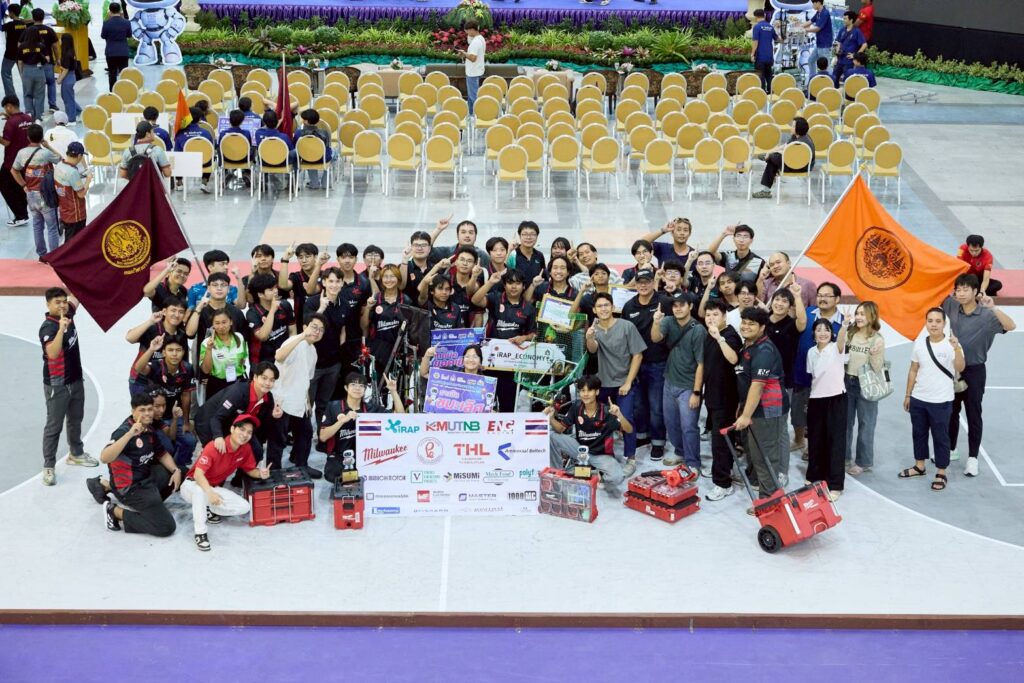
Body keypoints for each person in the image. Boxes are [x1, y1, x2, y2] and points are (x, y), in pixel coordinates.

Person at [943, 274, 1016, 476]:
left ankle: (973, 458)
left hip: (974, 370)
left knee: (973, 414)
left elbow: (1011, 326)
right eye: (958, 289)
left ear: (975, 291)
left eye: (965, 289)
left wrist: (993, 307)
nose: (960, 293)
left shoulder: (987, 315)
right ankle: (951, 449)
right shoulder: (951, 305)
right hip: (953, 368)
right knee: (951, 412)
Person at [899, 308, 964, 492]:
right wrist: (908, 394)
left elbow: (960, 367)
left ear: (944, 324)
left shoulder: (952, 345)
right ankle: (919, 466)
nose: (933, 325)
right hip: (919, 398)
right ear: (926, 323)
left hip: (941, 401)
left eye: (937, 321)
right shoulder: (920, 344)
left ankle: (941, 472)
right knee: (918, 433)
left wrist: (957, 349)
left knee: (941, 437)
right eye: (930, 321)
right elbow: (913, 369)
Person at [181, 414, 269, 551]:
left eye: (249, 432)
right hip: (192, 485)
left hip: (212, 488)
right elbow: (198, 475)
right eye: (242, 429)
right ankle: (200, 533)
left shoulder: (245, 449)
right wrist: (210, 493)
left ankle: (208, 508)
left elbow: (250, 470)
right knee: (199, 492)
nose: (245, 435)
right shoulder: (214, 446)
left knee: (244, 507)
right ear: (232, 429)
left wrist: (261, 474)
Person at [100, 393, 182, 537]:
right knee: (166, 527)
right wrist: (130, 434)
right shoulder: (123, 431)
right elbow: (104, 457)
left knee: (183, 472)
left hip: (146, 478)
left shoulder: (148, 428)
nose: (147, 413)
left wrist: (176, 470)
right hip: (130, 488)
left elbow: (162, 454)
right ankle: (115, 511)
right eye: (142, 410)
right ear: (133, 411)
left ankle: (151, 505)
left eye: (149, 409)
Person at [39, 287, 95, 485]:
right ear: (48, 304)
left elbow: (78, 294)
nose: (62, 305)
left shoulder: (68, 312)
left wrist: (79, 277)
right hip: (58, 385)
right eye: (57, 302)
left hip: (76, 379)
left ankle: (76, 453)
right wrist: (61, 330)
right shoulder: (48, 328)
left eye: (64, 301)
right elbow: (53, 353)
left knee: (76, 419)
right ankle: (48, 466)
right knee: (53, 426)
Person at [586, 292, 646, 475]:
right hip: (603, 383)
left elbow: (638, 355)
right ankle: (602, 455)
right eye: (599, 306)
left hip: (624, 383)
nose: (603, 309)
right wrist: (589, 337)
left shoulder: (626, 326)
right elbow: (592, 350)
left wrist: (628, 382)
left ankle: (631, 457)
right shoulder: (594, 328)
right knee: (599, 420)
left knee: (625, 418)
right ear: (594, 310)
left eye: (606, 305)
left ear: (612, 307)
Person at [734, 307, 790, 500]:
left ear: (762, 327)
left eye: (752, 324)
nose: (746, 327)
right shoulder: (749, 345)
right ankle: (762, 488)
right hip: (754, 408)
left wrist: (746, 415)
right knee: (756, 454)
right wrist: (743, 407)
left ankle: (769, 501)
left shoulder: (764, 350)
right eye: (744, 322)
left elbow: (757, 386)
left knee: (766, 457)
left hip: (769, 410)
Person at [544, 375, 630, 493]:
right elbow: (560, 429)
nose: (585, 394)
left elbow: (628, 430)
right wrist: (551, 418)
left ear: (597, 392)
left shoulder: (607, 411)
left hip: (600, 455)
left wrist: (619, 414)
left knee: (617, 477)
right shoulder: (576, 407)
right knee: (551, 436)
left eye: (589, 390)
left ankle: (598, 475)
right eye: (582, 390)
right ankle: (556, 473)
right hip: (580, 449)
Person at [651, 294, 706, 470]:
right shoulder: (668, 321)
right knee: (671, 423)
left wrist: (696, 392)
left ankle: (693, 463)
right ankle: (680, 452)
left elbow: (701, 364)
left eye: (682, 305)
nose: (678, 308)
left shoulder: (698, 330)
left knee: (689, 426)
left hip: (688, 386)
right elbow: (655, 338)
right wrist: (656, 322)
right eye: (675, 305)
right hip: (669, 381)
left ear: (690, 306)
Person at [620, 269, 670, 460]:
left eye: (647, 281)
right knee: (639, 404)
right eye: (640, 282)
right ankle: (642, 435)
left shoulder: (664, 302)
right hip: (635, 363)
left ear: (653, 282)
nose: (643, 285)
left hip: (658, 362)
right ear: (635, 284)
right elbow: (624, 333)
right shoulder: (628, 306)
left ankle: (658, 441)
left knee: (656, 405)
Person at [791, 282, 846, 456]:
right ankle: (799, 440)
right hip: (802, 372)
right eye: (820, 295)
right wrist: (797, 296)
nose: (822, 298)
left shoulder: (844, 322)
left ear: (837, 299)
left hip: (826, 381)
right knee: (798, 410)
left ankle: (814, 445)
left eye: (827, 295)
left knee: (818, 415)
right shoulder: (808, 312)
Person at [320, 372, 405, 483]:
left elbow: (400, 416)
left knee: (384, 473)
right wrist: (342, 421)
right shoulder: (333, 406)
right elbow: (323, 437)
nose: (357, 388)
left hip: (366, 457)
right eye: (353, 385)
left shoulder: (371, 408)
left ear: (365, 390)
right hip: (341, 456)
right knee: (334, 474)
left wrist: (393, 391)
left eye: (361, 386)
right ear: (346, 388)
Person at [473, 269, 537, 411]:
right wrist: (490, 282)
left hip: (512, 364)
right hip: (490, 362)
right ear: (504, 285)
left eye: (517, 283)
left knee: (508, 405)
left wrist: (524, 337)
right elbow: (475, 300)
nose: (513, 286)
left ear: (523, 286)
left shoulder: (529, 308)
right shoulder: (496, 298)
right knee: (485, 403)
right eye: (510, 282)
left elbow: (533, 333)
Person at [194, 361, 283, 464]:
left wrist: (274, 416)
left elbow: (264, 426)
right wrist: (218, 436)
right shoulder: (238, 393)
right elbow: (216, 418)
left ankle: (241, 475)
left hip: (235, 424)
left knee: (256, 452)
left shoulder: (268, 398)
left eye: (272, 380)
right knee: (218, 457)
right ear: (255, 377)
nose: (267, 383)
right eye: (264, 378)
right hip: (208, 422)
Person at [701, 299, 743, 501]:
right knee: (718, 439)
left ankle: (723, 484)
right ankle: (723, 469)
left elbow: (733, 359)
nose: (711, 318)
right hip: (712, 395)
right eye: (708, 315)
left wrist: (720, 339)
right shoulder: (710, 334)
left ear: (725, 316)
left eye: (715, 314)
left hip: (726, 397)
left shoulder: (730, 335)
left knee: (722, 441)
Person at [133, 335, 196, 466]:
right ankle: (163, 468)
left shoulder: (188, 368)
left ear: (184, 352)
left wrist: (186, 421)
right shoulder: (156, 366)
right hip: (155, 419)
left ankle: (179, 467)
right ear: (163, 352)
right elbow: (138, 368)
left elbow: (186, 396)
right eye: (170, 350)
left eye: (178, 350)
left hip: (175, 415)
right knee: (167, 448)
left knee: (190, 441)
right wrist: (151, 349)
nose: (174, 354)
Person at [272, 317, 324, 476]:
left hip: (300, 400)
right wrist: (302, 336)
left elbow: (307, 379)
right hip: (281, 399)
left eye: (321, 329)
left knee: (305, 433)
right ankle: (273, 471)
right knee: (278, 439)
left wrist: (307, 402)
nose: (317, 331)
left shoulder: (313, 350)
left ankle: (301, 465)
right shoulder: (294, 341)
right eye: (314, 327)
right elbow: (279, 356)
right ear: (305, 326)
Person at [806, 318, 848, 501]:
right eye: (819, 330)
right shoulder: (811, 352)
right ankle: (814, 476)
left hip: (836, 399)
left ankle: (835, 485)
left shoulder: (836, 349)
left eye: (827, 330)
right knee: (816, 440)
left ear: (832, 333)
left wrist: (844, 326)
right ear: (814, 334)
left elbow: (841, 340)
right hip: (816, 399)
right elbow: (813, 375)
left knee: (835, 442)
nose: (823, 333)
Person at [303, 267, 351, 423]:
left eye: (337, 281)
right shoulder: (312, 302)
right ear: (323, 282)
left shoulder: (345, 304)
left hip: (333, 365)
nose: (334, 285)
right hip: (313, 364)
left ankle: (321, 430)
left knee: (324, 403)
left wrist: (340, 353)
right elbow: (308, 330)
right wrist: (321, 308)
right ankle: (305, 432)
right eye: (330, 281)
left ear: (342, 283)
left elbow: (343, 330)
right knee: (307, 403)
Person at [844, 301, 885, 475]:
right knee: (845, 423)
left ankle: (864, 461)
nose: (859, 317)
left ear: (872, 316)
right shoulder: (851, 333)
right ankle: (843, 457)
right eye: (857, 313)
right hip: (847, 381)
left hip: (866, 384)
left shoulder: (877, 339)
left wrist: (875, 354)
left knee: (866, 424)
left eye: (863, 314)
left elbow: (877, 368)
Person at [12, 123, 63, 259]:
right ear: (41, 138)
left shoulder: (21, 153)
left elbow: (14, 170)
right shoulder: (45, 153)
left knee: (37, 226)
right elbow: (61, 159)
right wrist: (48, 146)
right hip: (46, 196)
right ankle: (54, 257)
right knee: (52, 228)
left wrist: (23, 185)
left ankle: (42, 255)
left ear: (28, 137)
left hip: (30, 194)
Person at [125, 297, 189, 393]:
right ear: (164, 312)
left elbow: (183, 362)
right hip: (142, 380)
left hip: (163, 383)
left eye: (181, 312)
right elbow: (129, 338)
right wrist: (150, 321)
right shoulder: (152, 328)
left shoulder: (182, 335)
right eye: (173, 310)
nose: (176, 315)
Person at [363, 264, 413, 377]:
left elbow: (411, 328)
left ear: (398, 279)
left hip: (399, 351)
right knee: (379, 384)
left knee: (398, 384)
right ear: (381, 279)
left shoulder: (406, 300)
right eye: (385, 276)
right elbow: (364, 325)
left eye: (392, 276)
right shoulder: (376, 299)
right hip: (378, 350)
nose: (389, 280)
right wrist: (368, 308)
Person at [752, 117, 815, 199]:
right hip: (795, 162)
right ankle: (766, 189)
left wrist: (771, 154)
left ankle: (766, 191)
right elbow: (784, 146)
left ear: (798, 128)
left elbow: (787, 155)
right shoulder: (797, 136)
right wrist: (770, 152)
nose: (791, 127)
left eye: (793, 126)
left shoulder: (801, 143)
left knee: (773, 158)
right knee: (773, 159)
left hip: (801, 167)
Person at [199, 309, 249, 399]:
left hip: (238, 382)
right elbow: (206, 370)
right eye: (217, 323)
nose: (221, 326)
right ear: (213, 325)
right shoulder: (206, 343)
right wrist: (209, 349)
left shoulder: (240, 337)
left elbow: (243, 359)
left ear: (231, 322)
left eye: (224, 322)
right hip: (217, 385)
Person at [17, 8, 56, 120]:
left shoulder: (23, 45)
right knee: (40, 94)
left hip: (27, 71)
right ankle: (39, 115)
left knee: (27, 93)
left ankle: (29, 113)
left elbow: (20, 61)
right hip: (39, 70)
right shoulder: (42, 44)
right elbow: (49, 57)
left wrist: (21, 73)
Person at [278, 242, 326, 331]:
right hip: (302, 324)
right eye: (300, 257)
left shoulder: (325, 275)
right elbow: (283, 285)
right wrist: (285, 259)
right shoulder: (296, 277)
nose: (304, 260)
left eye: (307, 257)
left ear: (316, 257)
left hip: (325, 321)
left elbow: (311, 291)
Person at [0, 94, 31, 226]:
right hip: (27, 159)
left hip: (11, 162)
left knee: (5, 186)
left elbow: (6, 142)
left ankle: (20, 215)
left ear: (9, 106)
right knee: (21, 186)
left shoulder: (10, 123)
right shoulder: (28, 118)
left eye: (5, 108)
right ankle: (23, 213)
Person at [52, 140, 90, 242]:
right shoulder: (72, 172)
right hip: (75, 215)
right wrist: (88, 180)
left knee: (69, 239)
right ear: (79, 156)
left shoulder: (59, 165)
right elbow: (81, 194)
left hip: (64, 211)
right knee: (75, 242)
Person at [173, 106, 214, 193]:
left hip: (186, 164)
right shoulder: (206, 133)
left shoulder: (180, 134)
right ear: (200, 119)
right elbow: (211, 150)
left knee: (175, 157)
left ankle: (179, 182)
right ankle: (204, 182)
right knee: (210, 156)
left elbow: (177, 153)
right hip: (204, 164)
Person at [294, 108, 332, 190]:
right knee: (333, 154)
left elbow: (295, 146)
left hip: (306, 158)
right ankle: (325, 182)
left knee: (309, 154)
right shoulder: (324, 132)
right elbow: (328, 149)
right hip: (322, 159)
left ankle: (314, 183)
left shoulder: (298, 133)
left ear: (306, 121)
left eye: (303, 119)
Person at [100, 2, 132, 91]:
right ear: (120, 10)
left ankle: (112, 92)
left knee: (112, 74)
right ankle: (124, 92)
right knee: (124, 74)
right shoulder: (126, 22)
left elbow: (103, 36)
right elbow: (129, 35)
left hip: (111, 52)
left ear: (110, 11)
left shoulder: (106, 23)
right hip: (123, 51)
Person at [833, 10, 867, 86]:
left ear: (851, 20)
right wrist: (836, 53)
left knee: (848, 81)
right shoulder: (842, 30)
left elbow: (864, 45)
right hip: (839, 60)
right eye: (843, 18)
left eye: (845, 18)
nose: (843, 20)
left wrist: (855, 55)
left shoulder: (857, 31)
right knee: (834, 79)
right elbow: (838, 42)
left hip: (849, 62)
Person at [458, 20, 485, 111]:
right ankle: (470, 113)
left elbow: (473, 58)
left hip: (473, 72)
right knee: (471, 96)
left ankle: (477, 114)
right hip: (478, 70)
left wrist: (464, 53)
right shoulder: (480, 38)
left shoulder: (475, 42)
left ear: (472, 30)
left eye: (467, 32)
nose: (467, 34)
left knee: (473, 97)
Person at [750, 9, 779, 92]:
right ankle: (771, 93)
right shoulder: (770, 27)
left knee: (760, 76)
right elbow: (778, 39)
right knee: (769, 76)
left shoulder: (757, 27)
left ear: (756, 17)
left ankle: (762, 94)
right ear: (764, 15)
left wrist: (752, 54)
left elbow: (755, 42)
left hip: (760, 56)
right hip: (769, 56)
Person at [1, 5, 26, 99]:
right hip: (22, 53)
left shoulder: (9, 25)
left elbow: (1, 28)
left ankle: (11, 96)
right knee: (23, 75)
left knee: (5, 73)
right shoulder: (23, 24)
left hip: (10, 53)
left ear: (11, 12)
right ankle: (28, 95)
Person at [56, 33, 80, 122]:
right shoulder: (71, 51)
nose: (59, 41)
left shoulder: (67, 53)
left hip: (68, 77)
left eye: (61, 39)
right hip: (71, 76)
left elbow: (66, 69)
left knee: (68, 98)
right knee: (68, 96)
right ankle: (78, 110)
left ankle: (71, 118)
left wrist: (59, 79)